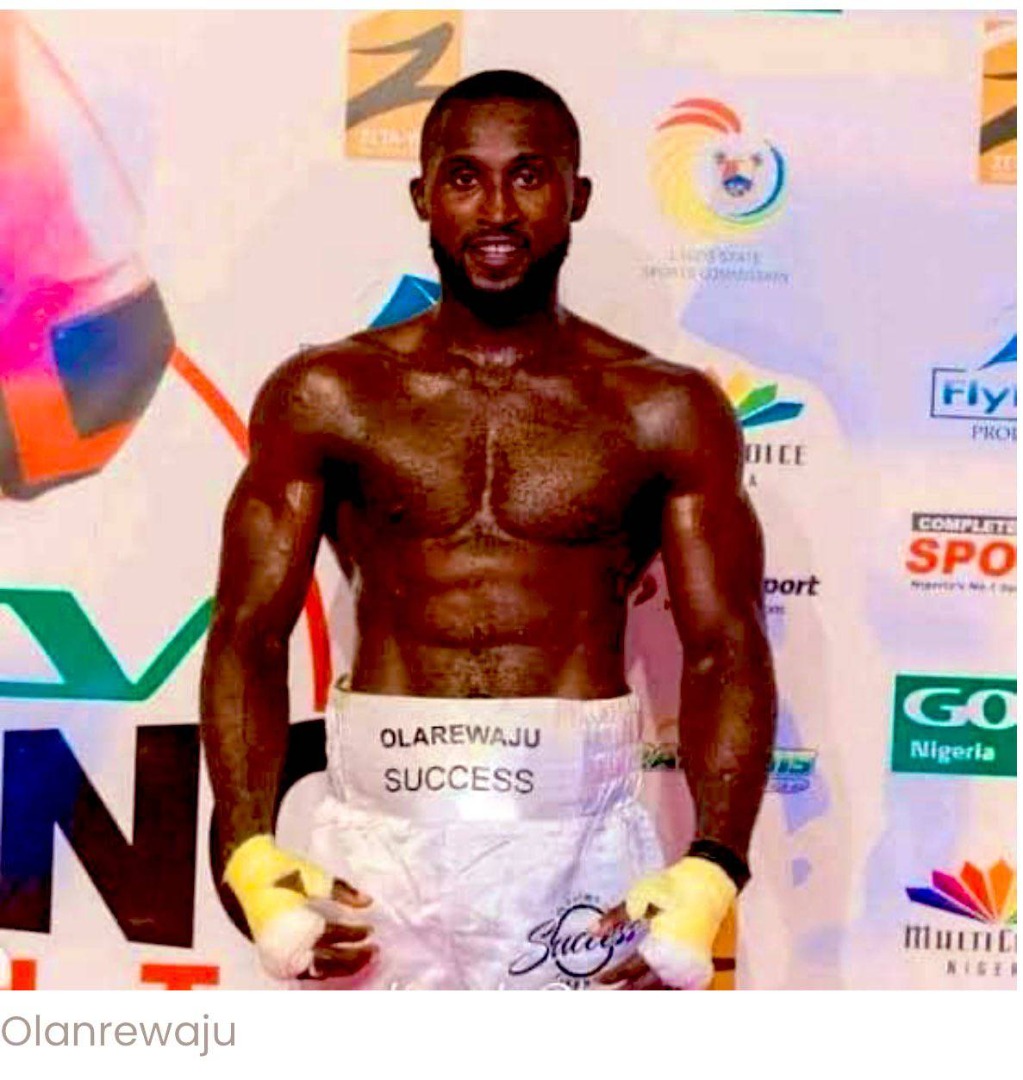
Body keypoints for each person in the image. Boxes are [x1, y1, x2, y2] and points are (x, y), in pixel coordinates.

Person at [199, 69, 777, 991]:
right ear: (422, 196)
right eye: (464, 178)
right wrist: (247, 850)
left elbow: (725, 647)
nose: (497, 209)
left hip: (578, 851)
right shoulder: (329, 395)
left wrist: (712, 867)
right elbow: (247, 631)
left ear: (576, 196)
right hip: (374, 856)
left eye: (529, 176)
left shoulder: (663, 408)